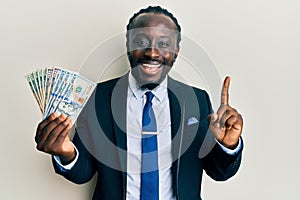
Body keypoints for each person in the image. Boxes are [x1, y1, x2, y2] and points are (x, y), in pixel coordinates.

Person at [35, 6, 243, 200]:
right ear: (128, 44)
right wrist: (65, 152)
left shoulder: (196, 100)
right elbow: (84, 172)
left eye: (163, 44)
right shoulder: (98, 98)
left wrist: (228, 145)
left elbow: (219, 172)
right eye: (142, 42)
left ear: (176, 51)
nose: (152, 53)